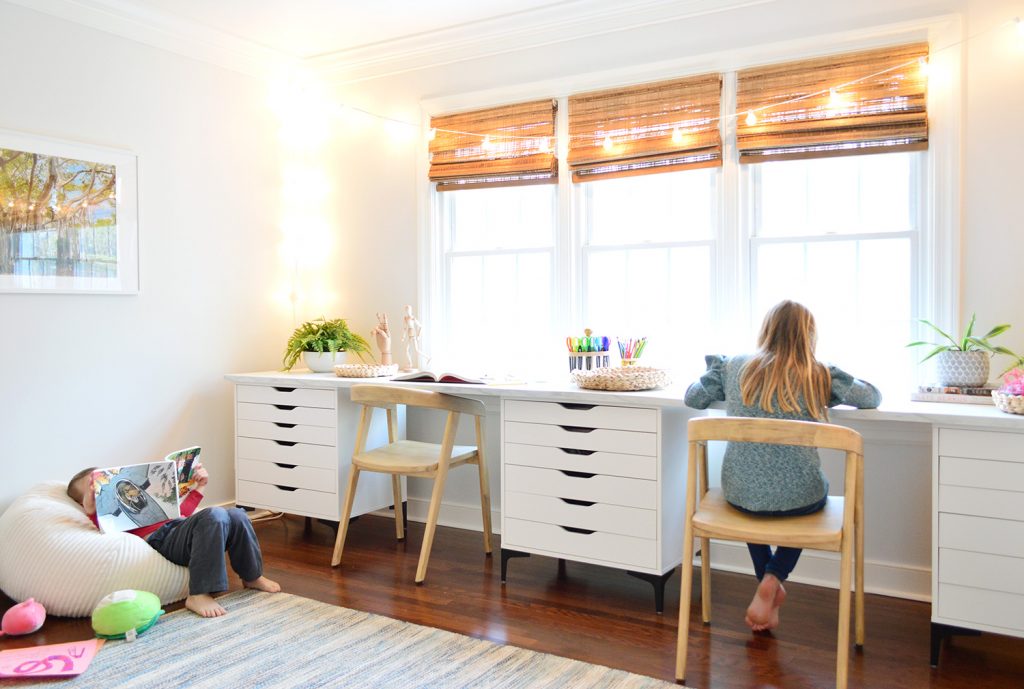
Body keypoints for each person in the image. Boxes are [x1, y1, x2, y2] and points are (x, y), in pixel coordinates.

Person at [684, 300, 881, 632]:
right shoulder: (817, 373)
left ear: (765, 330)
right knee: (810, 492)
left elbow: (693, 398)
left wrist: (714, 373)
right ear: (809, 336)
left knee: (753, 493)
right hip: (799, 499)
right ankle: (773, 578)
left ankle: (766, 578)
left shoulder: (733, 367)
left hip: (740, 495)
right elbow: (871, 398)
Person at [66, 463, 280, 618]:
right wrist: (92, 498)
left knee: (236, 514)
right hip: (160, 540)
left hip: (177, 528)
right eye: (91, 486)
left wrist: (199, 488)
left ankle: (252, 576)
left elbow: (181, 515)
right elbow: (95, 514)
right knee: (214, 515)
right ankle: (198, 594)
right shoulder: (104, 513)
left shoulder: (145, 504)